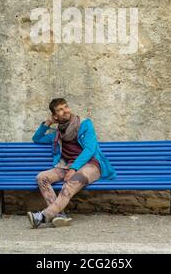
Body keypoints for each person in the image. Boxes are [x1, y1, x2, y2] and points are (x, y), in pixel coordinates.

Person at [27, 98, 116, 228]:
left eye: (66, 107)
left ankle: (43, 216)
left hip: (91, 165)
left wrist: (74, 169)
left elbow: (90, 149)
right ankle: (59, 216)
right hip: (66, 166)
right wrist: (48, 123)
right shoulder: (57, 134)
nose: (65, 111)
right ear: (55, 115)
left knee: (71, 182)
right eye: (60, 110)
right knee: (41, 177)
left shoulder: (85, 124)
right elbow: (37, 138)